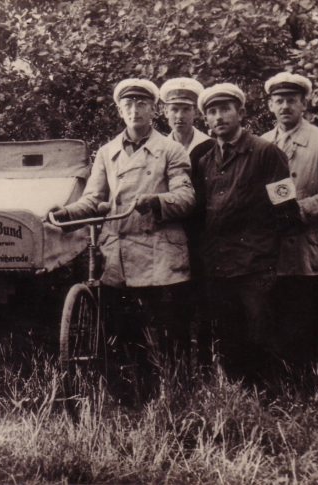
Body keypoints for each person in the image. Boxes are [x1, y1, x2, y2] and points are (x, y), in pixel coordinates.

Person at [51, 78, 195, 387]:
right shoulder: (106, 153)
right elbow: (92, 198)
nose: (134, 110)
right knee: (120, 334)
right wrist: (66, 212)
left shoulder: (171, 150)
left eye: (141, 104)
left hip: (159, 257)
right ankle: (128, 396)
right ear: (119, 111)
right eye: (128, 105)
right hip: (116, 257)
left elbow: (186, 199)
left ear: (154, 110)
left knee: (165, 337)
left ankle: (174, 394)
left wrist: (156, 201)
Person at [193, 83, 301, 382]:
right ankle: (239, 396)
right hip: (220, 264)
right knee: (229, 334)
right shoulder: (206, 161)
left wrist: (263, 248)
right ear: (206, 120)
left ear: (240, 113)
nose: (218, 117)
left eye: (225, 109)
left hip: (256, 265)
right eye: (212, 112)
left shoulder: (267, 153)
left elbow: (287, 209)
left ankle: (273, 397)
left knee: (261, 332)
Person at [260, 73, 318, 371]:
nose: (285, 106)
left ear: (303, 104)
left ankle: (308, 375)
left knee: (308, 313)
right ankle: (280, 376)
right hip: (272, 247)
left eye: (292, 100)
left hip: (309, 244)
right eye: (279, 101)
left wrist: (304, 209)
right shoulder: (263, 144)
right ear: (271, 106)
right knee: (275, 312)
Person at [159, 78, 217, 368]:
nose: (179, 116)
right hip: (168, 233)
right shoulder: (158, 146)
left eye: (185, 109)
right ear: (165, 112)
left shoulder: (209, 147)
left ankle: (206, 364)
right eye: (173, 109)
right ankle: (177, 366)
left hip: (202, 234)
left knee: (205, 299)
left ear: (195, 113)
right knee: (174, 299)